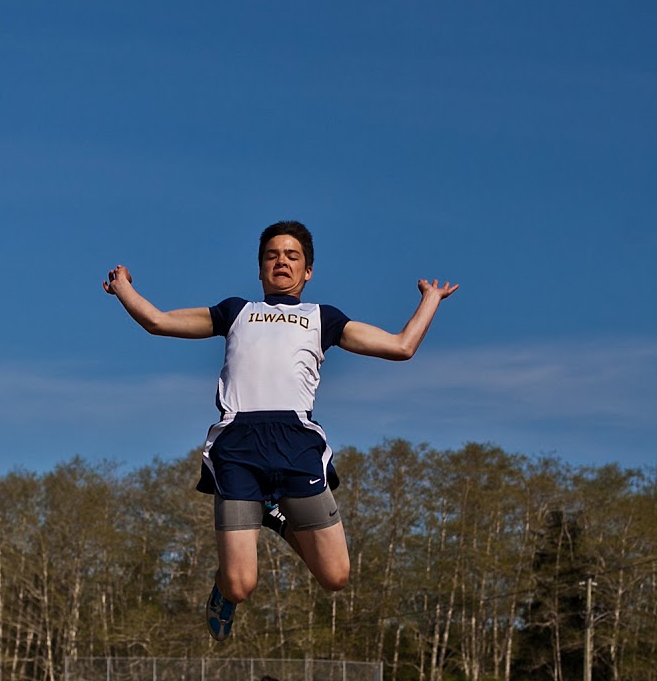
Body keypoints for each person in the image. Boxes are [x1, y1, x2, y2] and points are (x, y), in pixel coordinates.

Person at [103, 221, 459, 641]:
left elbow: (401, 347)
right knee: (239, 586)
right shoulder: (235, 311)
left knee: (335, 577)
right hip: (238, 446)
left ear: (308, 271)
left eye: (292, 256)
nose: (281, 262)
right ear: (260, 269)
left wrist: (430, 299)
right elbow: (158, 321)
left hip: (296, 445)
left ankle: (273, 515)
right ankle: (231, 575)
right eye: (272, 255)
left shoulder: (322, 318)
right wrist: (122, 287)